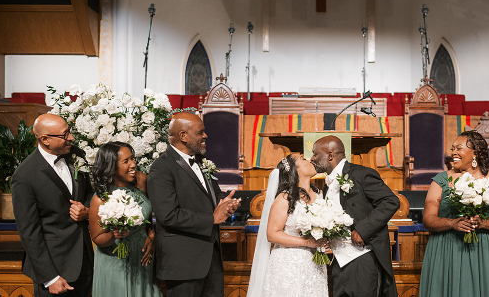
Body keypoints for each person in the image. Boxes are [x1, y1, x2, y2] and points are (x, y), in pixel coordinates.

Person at [147, 112, 241, 297]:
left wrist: (226, 204)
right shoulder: (162, 168)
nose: (205, 136)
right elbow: (168, 215)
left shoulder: (201, 163)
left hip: (210, 258)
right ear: (183, 136)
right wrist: (212, 218)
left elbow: (210, 198)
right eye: (200, 132)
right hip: (183, 263)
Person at [418, 130, 489, 297]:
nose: (453, 152)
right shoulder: (441, 180)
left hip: (484, 249)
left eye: (459, 148)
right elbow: (428, 219)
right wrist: (452, 223)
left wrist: (484, 223)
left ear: (475, 153)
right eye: (452, 148)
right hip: (447, 247)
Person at [12, 113, 94, 296]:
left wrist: (86, 210)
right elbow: (29, 232)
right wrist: (50, 277)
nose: (71, 138)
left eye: (69, 132)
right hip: (55, 269)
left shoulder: (76, 156)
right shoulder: (25, 176)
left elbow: (89, 192)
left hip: (85, 261)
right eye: (65, 135)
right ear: (45, 139)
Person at [311, 135, 400, 297]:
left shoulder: (361, 174)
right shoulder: (326, 186)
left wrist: (362, 230)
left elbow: (390, 201)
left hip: (362, 258)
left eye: (315, 154)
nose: (312, 158)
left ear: (330, 155)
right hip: (338, 260)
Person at [246, 154, 329, 297]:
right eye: (303, 159)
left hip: (314, 265)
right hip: (288, 264)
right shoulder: (285, 198)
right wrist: (308, 242)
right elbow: (272, 234)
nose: (310, 160)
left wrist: (325, 242)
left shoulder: (320, 195)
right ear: (295, 170)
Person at [88, 142, 161, 297]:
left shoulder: (140, 183)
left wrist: (152, 236)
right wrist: (114, 234)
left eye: (133, 159)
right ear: (111, 167)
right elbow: (97, 237)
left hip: (142, 258)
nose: (133, 164)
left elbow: (146, 218)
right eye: (126, 161)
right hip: (116, 261)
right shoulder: (100, 199)